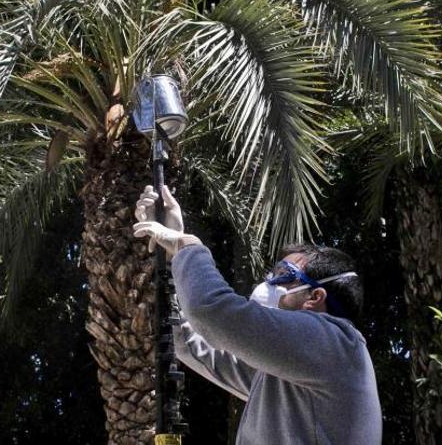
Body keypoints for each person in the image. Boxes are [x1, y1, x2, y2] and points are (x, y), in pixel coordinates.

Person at [133, 185, 382, 445]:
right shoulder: (283, 374)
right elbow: (191, 346)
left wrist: (187, 244)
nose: (270, 284)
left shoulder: (335, 343)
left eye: (283, 276)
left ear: (315, 298)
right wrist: (173, 253)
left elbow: (210, 310)